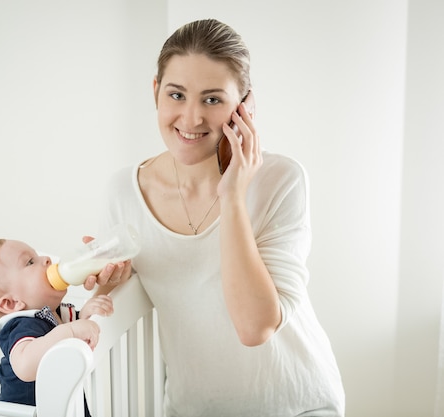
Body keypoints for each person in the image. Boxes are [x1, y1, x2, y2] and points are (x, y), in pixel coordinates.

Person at [101, 18, 345, 416]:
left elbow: (255, 328)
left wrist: (232, 196)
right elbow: (113, 303)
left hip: (299, 405)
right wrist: (103, 282)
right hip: (192, 408)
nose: (191, 118)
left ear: (244, 107)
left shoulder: (282, 180)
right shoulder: (123, 192)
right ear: (155, 92)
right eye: (176, 94)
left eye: (212, 99)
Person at [0, 238, 117, 416]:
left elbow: (73, 334)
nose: (46, 259)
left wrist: (86, 314)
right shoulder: (20, 325)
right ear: (11, 303)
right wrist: (70, 331)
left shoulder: (53, 315)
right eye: (30, 262)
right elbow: (25, 365)